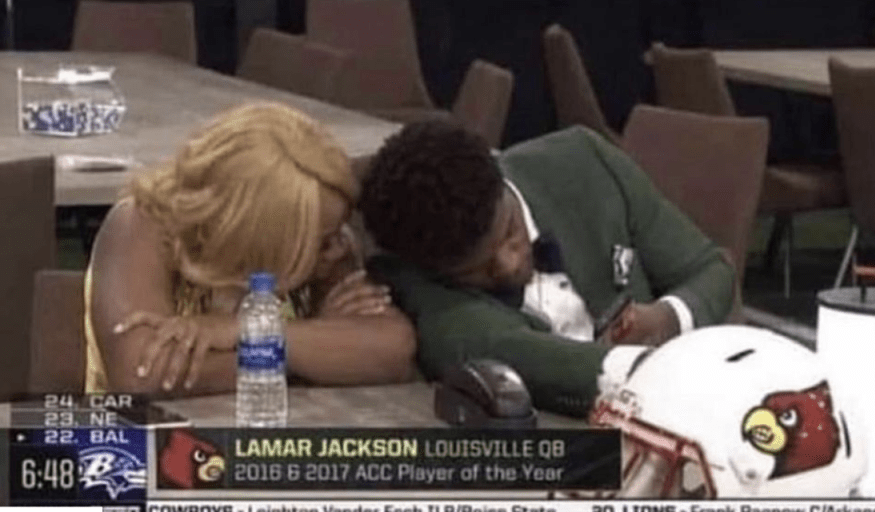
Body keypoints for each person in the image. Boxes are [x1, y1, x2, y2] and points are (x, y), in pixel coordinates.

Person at [359, 121, 735, 417]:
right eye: (480, 270)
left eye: (510, 232)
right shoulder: (409, 274)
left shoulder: (585, 162)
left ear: (501, 178)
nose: (509, 265)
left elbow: (710, 268)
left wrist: (668, 316)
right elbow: (504, 350)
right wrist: (653, 368)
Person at [86, 102, 417, 396]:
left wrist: (248, 331)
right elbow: (141, 374)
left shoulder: (330, 248)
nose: (340, 247)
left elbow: (392, 350)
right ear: (257, 239)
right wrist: (313, 356)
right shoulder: (144, 224)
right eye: (323, 241)